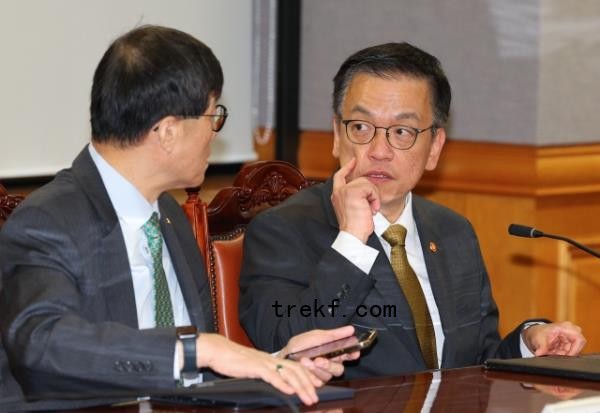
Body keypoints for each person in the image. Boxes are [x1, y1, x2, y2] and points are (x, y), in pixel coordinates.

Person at [0, 25, 358, 407]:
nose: (214, 132)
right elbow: (41, 342)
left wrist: (274, 366)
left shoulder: (168, 216)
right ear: (168, 132)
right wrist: (194, 349)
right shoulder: (48, 221)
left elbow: (189, 377)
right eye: (211, 115)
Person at [239, 42, 586, 379]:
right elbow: (283, 345)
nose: (379, 150)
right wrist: (352, 244)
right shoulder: (283, 230)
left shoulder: (453, 231)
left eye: (401, 132)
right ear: (336, 134)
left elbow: (475, 367)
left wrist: (529, 342)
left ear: (434, 147)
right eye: (360, 127)